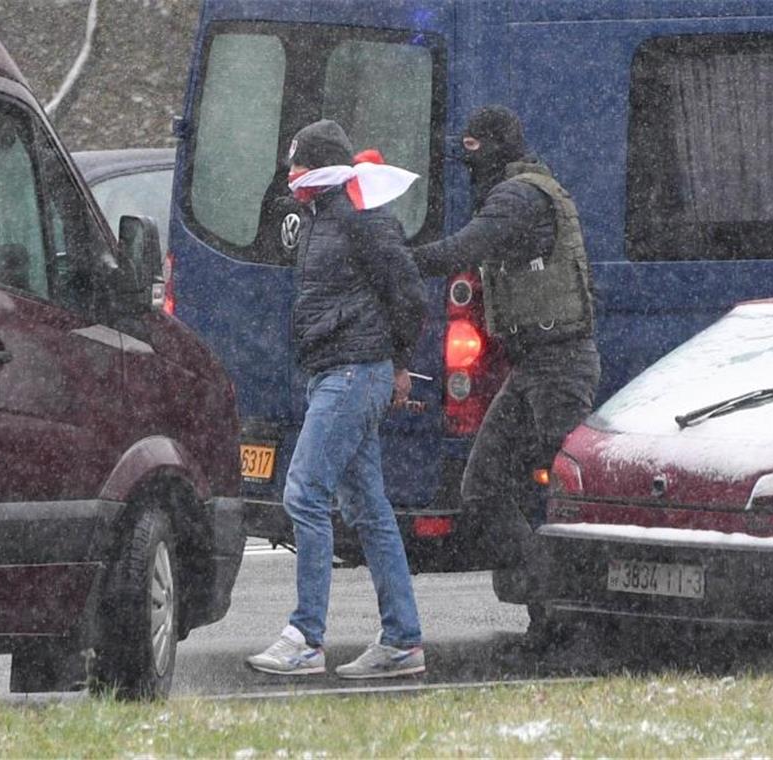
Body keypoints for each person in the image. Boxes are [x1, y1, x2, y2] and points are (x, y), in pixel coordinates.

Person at [246, 119, 428, 679]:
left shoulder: (358, 219)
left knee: (303, 492)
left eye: (299, 165)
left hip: (351, 375)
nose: (291, 176)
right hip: (341, 372)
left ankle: (306, 637)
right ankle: (401, 639)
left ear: (321, 170)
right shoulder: (328, 217)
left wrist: (397, 364)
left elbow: (410, 296)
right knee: (369, 510)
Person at [410, 105, 601, 565]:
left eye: (473, 148)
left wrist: (395, 257)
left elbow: (463, 248)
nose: (467, 160)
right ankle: (544, 585)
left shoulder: (517, 198)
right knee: (483, 486)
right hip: (533, 364)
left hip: (558, 365)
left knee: (571, 495)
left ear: (496, 148)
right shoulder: (523, 190)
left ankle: (571, 600)